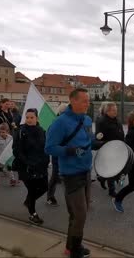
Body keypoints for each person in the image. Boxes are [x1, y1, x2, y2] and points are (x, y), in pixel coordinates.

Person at [45, 88, 96, 258]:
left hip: (86, 171)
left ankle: (71, 246)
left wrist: (104, 143)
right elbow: (49, 148)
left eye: (88, 101)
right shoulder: (60, 122)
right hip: (71, 174)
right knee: (79, 214)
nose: (88, 104)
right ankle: (75, 250)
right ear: (72, 101)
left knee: (79, 213)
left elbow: (90, 141)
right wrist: (70, 151)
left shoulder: (87, 120)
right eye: (84, 101)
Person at [12, 108, 49, 225]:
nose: (29, 120)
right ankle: (33, 213)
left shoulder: (42, 131)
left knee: (44, 187)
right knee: (32, 190)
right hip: (26, 167)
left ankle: (29, 201)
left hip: (41, 166)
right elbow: (17, 150)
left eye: (31, 117)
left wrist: (45, 161)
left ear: (37, 118)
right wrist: (27, 162)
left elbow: (45, 148)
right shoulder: (20, 131)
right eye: (27, 117)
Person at [95, 102, 125, 197]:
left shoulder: (117, 120)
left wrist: (122, 143)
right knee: (111, 168)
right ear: (107, 111)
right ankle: (111, 190)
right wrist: (105, 144)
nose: (115, 112)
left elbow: (121, 133)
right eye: (113, 110)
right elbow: (98, 137)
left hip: (117, 147)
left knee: (117, 168)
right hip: (108, 148)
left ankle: (103, 178)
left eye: (116, 110)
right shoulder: (102, 121)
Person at [46, 103, 69, 207]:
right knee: (55, 175)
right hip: (58, 152)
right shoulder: (56, 123)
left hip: (67, 152)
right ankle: (50, 197)